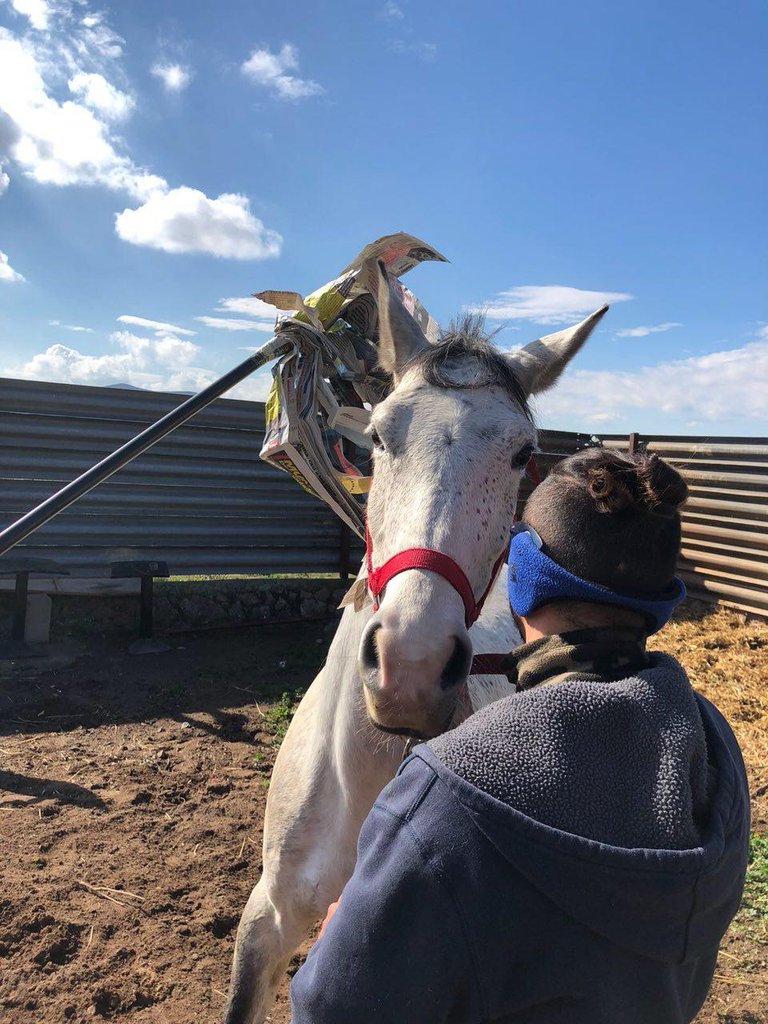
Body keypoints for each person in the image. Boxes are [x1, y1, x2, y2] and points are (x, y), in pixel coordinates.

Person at [289, 448, 750, 1024]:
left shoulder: (450, 793)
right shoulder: (714, 748)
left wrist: (338, 942)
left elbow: (331, 1009)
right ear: (661, 600)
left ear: (523, 576)